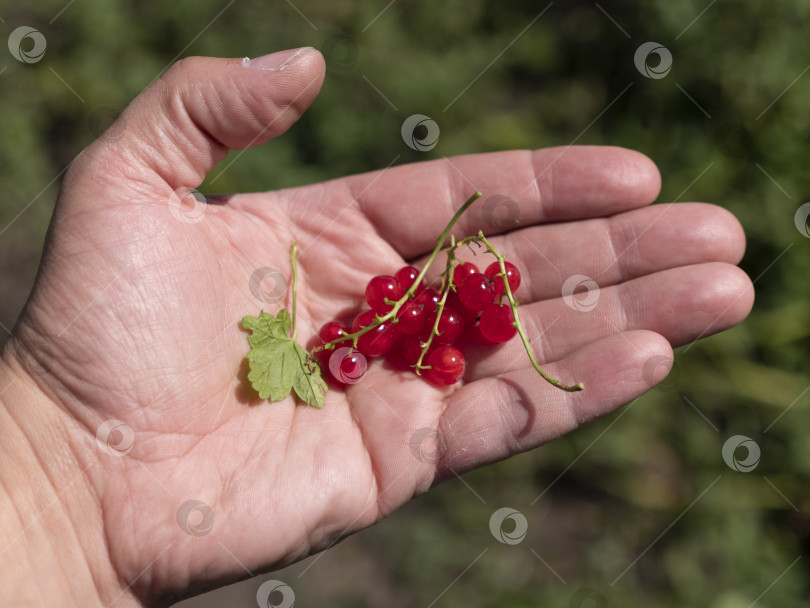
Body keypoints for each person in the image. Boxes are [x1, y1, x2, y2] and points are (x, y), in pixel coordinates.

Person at [0, 47, 753, 605]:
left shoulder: (446, 306)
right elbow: (387, 324)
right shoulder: (393, 308)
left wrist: (60, 500)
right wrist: (57, 471)